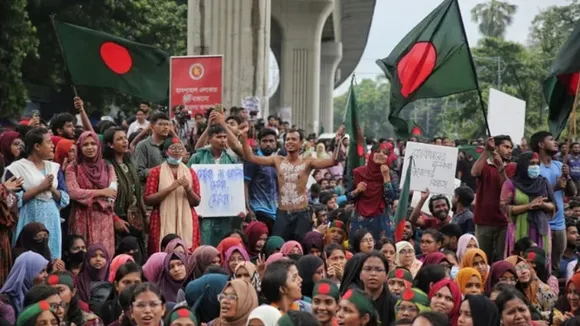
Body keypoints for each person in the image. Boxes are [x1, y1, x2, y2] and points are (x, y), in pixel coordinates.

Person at [241, 128, 339, 242]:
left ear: (301, 143)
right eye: (287, 139)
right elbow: (251, 157)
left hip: (302, 213)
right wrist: (244, 140)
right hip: (283, 213)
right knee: (279, 244)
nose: (290, 142)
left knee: (302, 246)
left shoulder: (308, 162)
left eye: (293, 139)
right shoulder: (277, 160)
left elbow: (333, 161)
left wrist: (337, 142)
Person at [5, 127, 70, 259]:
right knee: (28, 257)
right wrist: (39, 189)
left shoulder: (54, 168)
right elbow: (11, 201)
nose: (53, 146)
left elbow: (65, 198)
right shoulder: (16, 169)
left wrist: (51, 189)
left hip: (52, 219)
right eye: (48, 142)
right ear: (37, 146)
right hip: (28, 218)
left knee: (51, 258)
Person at [144, 137, 201, 254]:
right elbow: (148, 199)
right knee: (161, 252)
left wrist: (188, 189)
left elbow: (196, 202)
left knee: (187, 253)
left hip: (187, 219)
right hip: (160, 218)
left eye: (180, 148)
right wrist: (170, 188)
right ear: (166, 152)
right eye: (173, 148)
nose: (177, 151)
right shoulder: (156, 172)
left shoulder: (190, 172)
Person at [531, 131, 576, 275]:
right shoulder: (534, 167)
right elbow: (533, 196)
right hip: (542, 223)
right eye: (551, 139)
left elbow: (572, 192)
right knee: (541, 263)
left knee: (555, 266)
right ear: (541, 144)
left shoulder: (559, 165)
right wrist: (555, 186)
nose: (555, 142)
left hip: (560, 224)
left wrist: (567, 177)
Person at [67, 131, 117, 257]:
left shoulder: (107, 166)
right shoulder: (73, 167)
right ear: (80, 147)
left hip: (103, 219)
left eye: (93, 144)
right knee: (83, 255)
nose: (90, 148)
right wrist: (101, 192)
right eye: (85, 145)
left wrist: (90, 195)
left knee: (104, 255)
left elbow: (112, 192)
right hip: (82, 217)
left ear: (99, 146)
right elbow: (73, 192)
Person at [501, 152, 556, 260]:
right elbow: (504, 208)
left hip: (541, 228)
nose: (535, 166)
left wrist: (543, 204)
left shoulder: (543, 183)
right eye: (532, 164)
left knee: (539, 260)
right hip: (519, 228)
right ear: (523, 165)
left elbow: (553, 206)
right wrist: (529, 206)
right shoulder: (511, 184)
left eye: (537, 163)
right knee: (520, 258)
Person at [471, 135, 516, 263]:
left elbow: (509, 189)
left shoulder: (513, 167)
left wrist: (501, 167)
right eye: (506, 147)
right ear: (496, 147)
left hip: (504, 222)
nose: (510, 150)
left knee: (502, 260)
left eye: (511, 148)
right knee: (482, 260)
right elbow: (474, 172)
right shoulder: (485, 165)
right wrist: (486, 150)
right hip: (483, 221)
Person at [103, 127, 147, 255]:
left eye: (125, 138)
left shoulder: (130, 163)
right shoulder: (106, 166)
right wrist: (115, 218)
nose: (125, 141)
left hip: (135, 216)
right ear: (110, 144)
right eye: (119, 139)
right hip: (118, 217)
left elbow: (136, 192)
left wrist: (144, 216)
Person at [349, 143, 398, 241]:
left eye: (385, 153)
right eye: (377, 151)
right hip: (360, 220)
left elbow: (390, 199)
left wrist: (386, 177)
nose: (380, 154)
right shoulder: (357, 173)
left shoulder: (392, 174)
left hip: (381, 221)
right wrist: (357, 190)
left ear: (388, 157)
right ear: (371, 154)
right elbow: (349, 198)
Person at [244, 128, 279, 231]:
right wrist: (248, 209)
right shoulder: (253, 160)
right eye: (265, 141)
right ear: (258, 142)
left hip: (275, 212)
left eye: (271, 141)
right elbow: (245, 184)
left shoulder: (277, 161)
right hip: (258, 210)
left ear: (276, 143)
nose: (268, 144)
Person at [0, 251, 48, 316]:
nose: (46, 275)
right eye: (42, 271)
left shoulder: (42, 297)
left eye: (46, 271)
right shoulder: (5, 302)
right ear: (27, 274)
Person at [135, 112, 172, 182]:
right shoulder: (143, 145)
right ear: (152, 127)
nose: (166, 127)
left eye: (167, 124)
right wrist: (163, 167)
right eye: (161, 124)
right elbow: (139, 173)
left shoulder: (170, 145)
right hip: (151, 190)